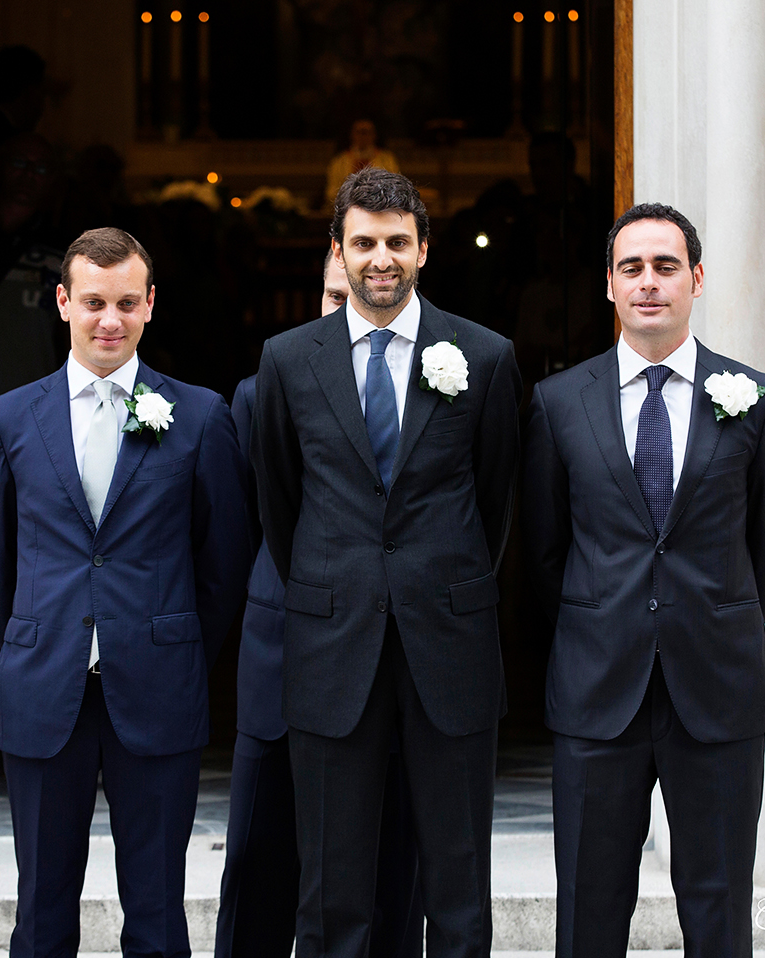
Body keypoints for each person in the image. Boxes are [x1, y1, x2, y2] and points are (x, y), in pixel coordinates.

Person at [251, 167, 522, 958]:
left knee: (459, 885)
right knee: (332, 891)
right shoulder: (288, 359)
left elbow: (497, 498)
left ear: (424, 250)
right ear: (337, 248)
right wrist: (340, 583)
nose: (381, 259)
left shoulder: (486, 355)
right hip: (333, 646)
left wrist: (443, 582)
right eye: (363, 242)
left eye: (397, 242)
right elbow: (281, 502)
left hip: (451, 646)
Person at [521, 203, 765, 957]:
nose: (649, 283)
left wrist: (710, 612)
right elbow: (543, 552)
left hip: (717, 689)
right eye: (632, 268)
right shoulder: (556, 403)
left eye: (666, 266)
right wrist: (605, 619)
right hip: (595, 691)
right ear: (608, 285)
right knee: (589, 906)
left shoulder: (758, 399)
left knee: (717, 905)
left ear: (697, 279)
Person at [0, 227, 250, 957]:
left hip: (158, 684)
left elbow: (221, 566)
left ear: (151, 305)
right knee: (41, 914)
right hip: (42, 685)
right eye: (93, 302)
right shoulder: (6, 420)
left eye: (127, 303)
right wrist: (43, 636)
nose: (109, 320)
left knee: (158, 912)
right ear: (63, 302)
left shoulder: (198, 417)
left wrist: (170, 641)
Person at [219, 251, 422, 958]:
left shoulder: (434, 389)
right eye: (335, 297)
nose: (348, 313)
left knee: (390, 865)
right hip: (283, 659)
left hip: (393, 662)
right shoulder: (259, 392)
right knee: (258, 861)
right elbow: (243, 528)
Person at [325, 119, 401, 204]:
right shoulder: (340, 162)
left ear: (374, 135)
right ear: (352, 135)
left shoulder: (386, 160)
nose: (363, 136)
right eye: (359, 132)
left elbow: (394, 189)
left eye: (366, 132)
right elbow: (332, 192)